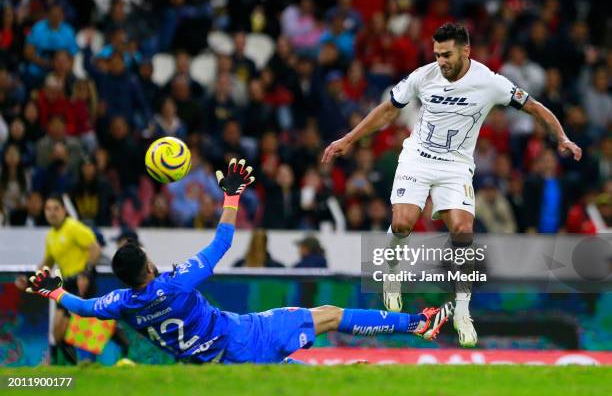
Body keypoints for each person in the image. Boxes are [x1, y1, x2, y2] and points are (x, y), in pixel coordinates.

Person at [24, 159, 452, 364]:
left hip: (213, 368)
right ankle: (419, 324)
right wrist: (231, 195)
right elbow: (223, 241)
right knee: (328, 315)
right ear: (150, 266)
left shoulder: (120, 302)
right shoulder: (175, 283)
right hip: (243, 336)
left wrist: (54, 290)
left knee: (321, 379)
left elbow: (82, 307)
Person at [322, 23, 582, 347]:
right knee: (402, 223)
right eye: (437, 54)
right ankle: (391, 273)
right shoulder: (423, 76)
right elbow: (388, 111)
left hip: (456, 167)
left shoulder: (490, 82)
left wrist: (562, 137)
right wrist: (348, 139)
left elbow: (534, 107)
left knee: (463, 232)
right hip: (418, 158)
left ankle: (461, 311)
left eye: (446, 55)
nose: (441, 61)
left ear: (465, 51)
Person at [15, 194, 101, 364]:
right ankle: (71, 366)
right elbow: (47, 263)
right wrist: (28, 278)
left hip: (81, 282)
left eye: (56, 208)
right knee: (57, 332)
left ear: (64, 210)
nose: (52, 213)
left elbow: (95, 249)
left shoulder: (74, 227)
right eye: (48, 209)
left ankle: (63, 363)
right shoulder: (51, 236)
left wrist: (86, 274)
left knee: (82, 330)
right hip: (65, 284)